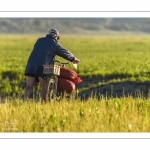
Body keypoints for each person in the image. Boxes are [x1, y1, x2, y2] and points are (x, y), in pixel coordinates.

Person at [24, 29, 80, 101]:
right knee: (44, 87)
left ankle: (25, 102)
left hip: (31, 65)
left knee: (29, 86)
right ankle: (41, 104)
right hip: (42, 66)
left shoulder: (39, 40)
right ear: (56, 36)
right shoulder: (54, 43)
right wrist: (73, 59)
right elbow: (64, 52)